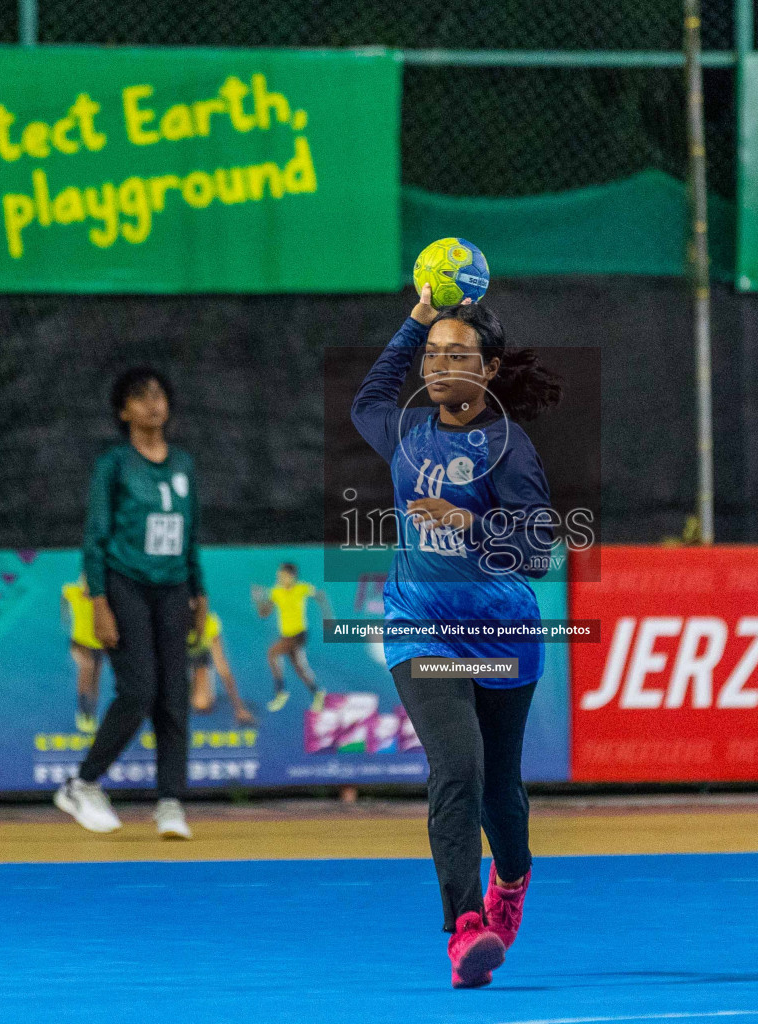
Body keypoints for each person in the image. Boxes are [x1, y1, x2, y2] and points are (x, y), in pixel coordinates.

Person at [351, 284, 562, 988]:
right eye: (433, 354)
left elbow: (540, 549)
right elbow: (368, 397)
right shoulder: (406, 432)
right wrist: (416, 316)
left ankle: (512, 878)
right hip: (420, 628)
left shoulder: (509, 446)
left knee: (500, 787)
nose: (441, 366)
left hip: (502, 633)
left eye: (458, 354)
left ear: (489, 369)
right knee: (459, 767)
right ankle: (465, 928)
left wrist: (470, 523)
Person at [54, 367, 207, 841]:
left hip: (174, 587)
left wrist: (199, 593)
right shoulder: (115, 465)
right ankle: (81, 784)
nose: (153, 405)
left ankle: (169, 802)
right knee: (138, 689)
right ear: (124, 411)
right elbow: (94, 539)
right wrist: (99, 602)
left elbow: (190, 534)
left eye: (159, 395)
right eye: (140, 398)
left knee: (173, 696)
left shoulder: (183, 464)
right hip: (125, 585)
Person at [253, 562, 332, 713]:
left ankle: (281, 692)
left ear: (291, 576)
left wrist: (327, 617)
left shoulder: (302, 588)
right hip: (286, 635)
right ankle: (317, 693)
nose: (279, 579)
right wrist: (258, 599)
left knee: (272, 653)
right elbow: (263, 613)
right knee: (300, 668)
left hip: (299, 634)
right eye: (278, 576)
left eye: (282, 576)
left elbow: (320, 596)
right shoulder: (276, 592)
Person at [189, 607, 257, 726]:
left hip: (199, 661)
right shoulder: (169, 620)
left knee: (201, 704)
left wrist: (239, 708)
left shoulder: (209, 622)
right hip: (177, 663)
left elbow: (222, 667)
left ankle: (199, 678)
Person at [61, 576, 105, 733]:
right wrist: (66, 619)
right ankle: (82, 711)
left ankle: (91, 713)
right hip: (79, 642)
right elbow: (64, 597)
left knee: (95, 678)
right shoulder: (73, 590)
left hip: (99, 643)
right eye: (84, 579)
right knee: (87, 667)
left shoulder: (101, 594)